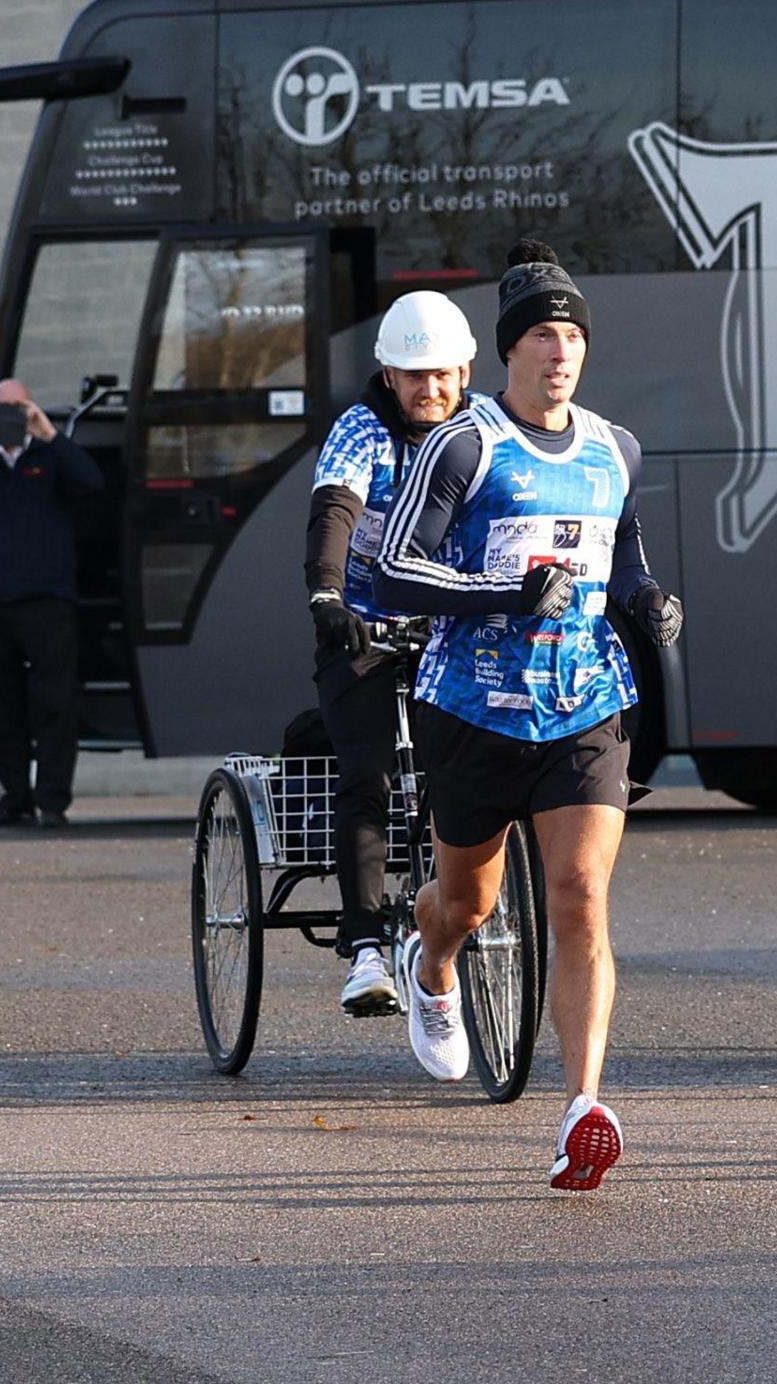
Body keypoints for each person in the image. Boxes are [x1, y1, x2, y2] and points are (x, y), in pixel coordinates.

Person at [369, 249, 681, 1193]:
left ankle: (582, 1105)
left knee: (581, 892)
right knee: (466, 901)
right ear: (507, 351)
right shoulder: (463, 446)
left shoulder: (614, 447)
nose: (561, 351)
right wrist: (509, 591)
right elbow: (395, 569)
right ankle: (432, 965)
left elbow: (622, 557)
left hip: (586, 699)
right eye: (544, 334)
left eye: (575, 335)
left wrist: (650, 599)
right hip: (471, 707)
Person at [302, 287, 492, 1018]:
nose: (430, 388)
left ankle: (456, 907)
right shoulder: (361, 430)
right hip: (363, 627)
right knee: (367, 774)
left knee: (475, 768)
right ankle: (365, 949)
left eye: (443, 373)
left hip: (451, 625)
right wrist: (326, 597)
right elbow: (334, 513)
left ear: (467, 371)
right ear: (389, 376)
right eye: (415, 376)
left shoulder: (484, 432)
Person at [0, 377, 105, 829]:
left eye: (18, 407)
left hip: (49, 601)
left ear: (31, 407)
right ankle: (15, 798)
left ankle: (52, 802)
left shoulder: (51, 456)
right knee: (2, 705)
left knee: (55, 704)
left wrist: (49, 434)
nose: (9, 418)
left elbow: (93, 482)